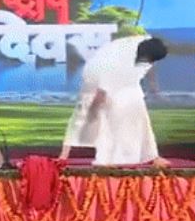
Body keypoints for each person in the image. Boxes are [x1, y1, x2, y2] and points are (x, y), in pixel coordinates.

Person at [59, 36, 170, 167]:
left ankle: (151, 156)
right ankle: (96, 158)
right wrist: (92, 112)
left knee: (137, 109)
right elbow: (101, 94)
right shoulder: (116, 63)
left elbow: (149, 67)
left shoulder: (149, 43)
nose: (149, 63)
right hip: (95, 75)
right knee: (98, 115)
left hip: (125, 75)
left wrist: (154, 89)